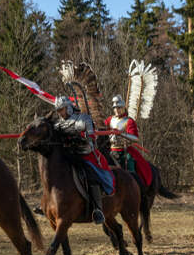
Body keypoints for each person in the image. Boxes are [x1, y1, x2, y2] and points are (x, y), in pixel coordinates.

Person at [54, 96, 111, 224]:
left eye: (61, 109)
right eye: (58, 110)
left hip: (84, 154)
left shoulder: (83, 119)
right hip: (67, 155)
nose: (60, 113)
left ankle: (98, 209)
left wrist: (81, 139)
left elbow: (91, 138)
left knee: (91, 176)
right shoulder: (58, 124)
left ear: (68, 108)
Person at [104, 95, 139, 175]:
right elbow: (102, 128)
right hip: (110, 150)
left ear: (123, 107)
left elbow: (135, 138)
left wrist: (121, 133)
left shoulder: (129, 121)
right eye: (115, 108)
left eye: (119, 107)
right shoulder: (110, 119)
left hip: (124, 151)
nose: (117, 110)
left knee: (130, 168)